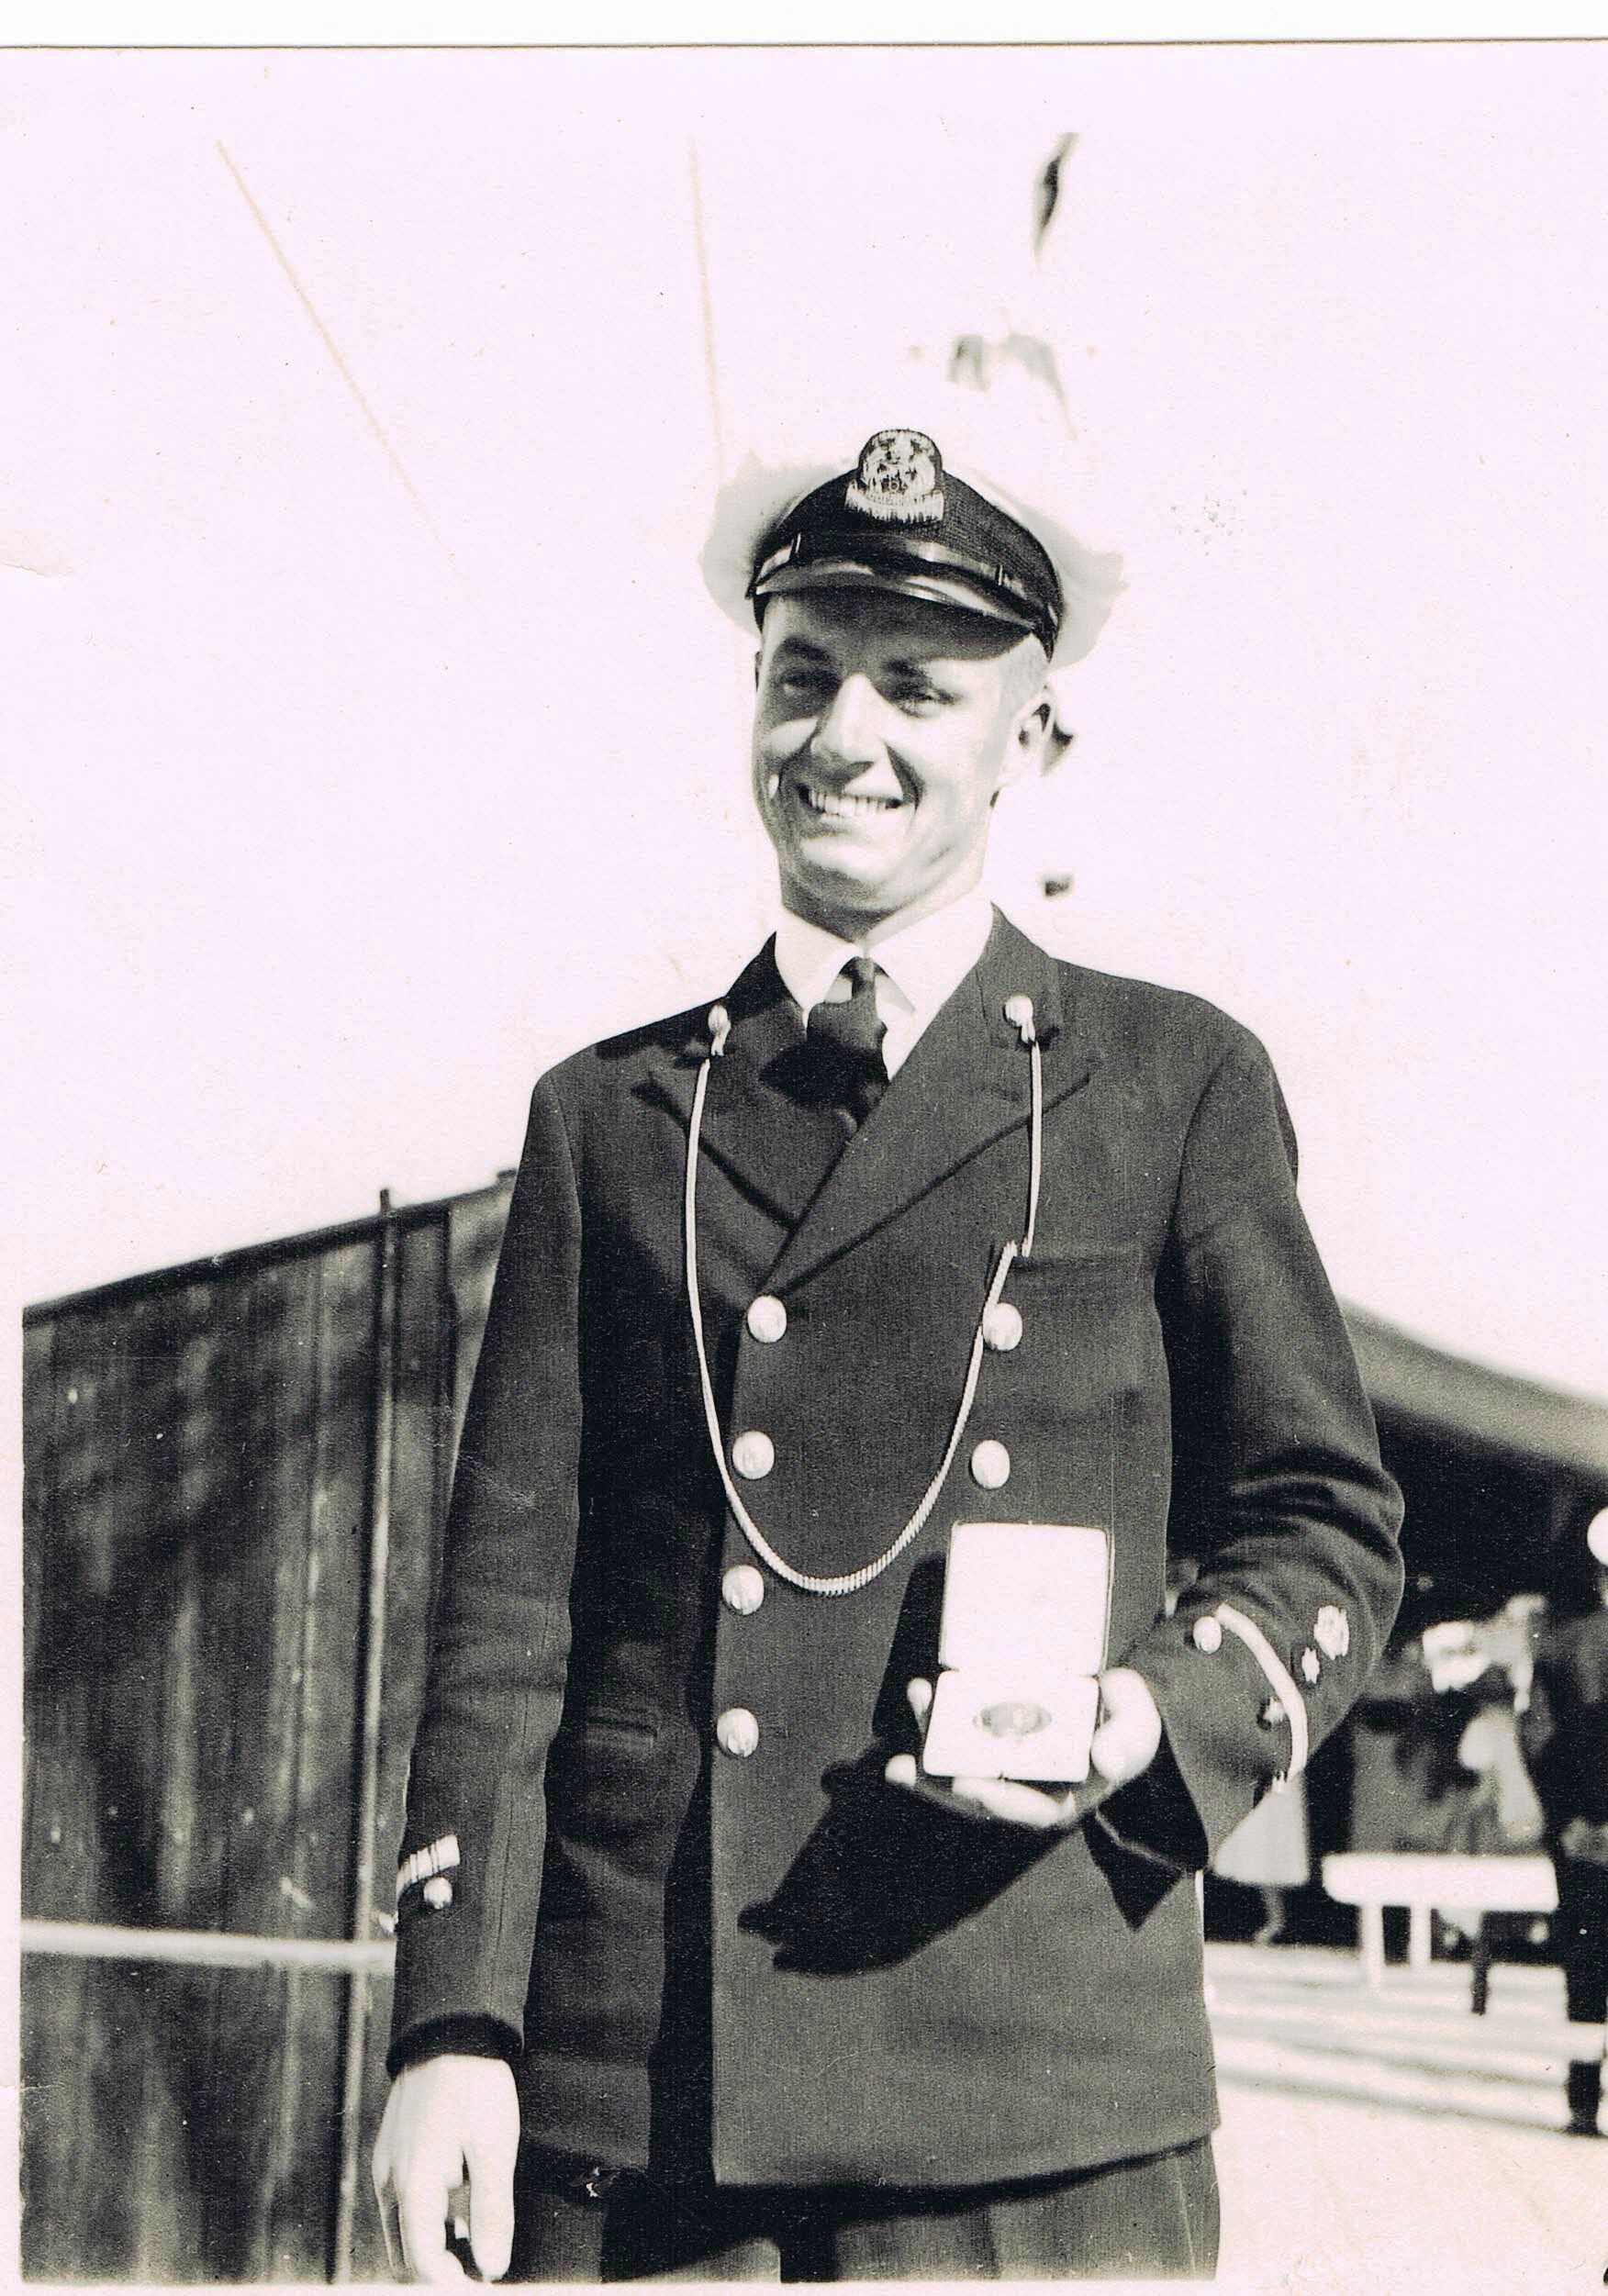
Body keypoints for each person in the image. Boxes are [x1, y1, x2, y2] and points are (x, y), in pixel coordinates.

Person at [370, 394, 1405, 2281]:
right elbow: (509, 1619)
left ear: (1034, 736)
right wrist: (454, 2025)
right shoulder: (612, 1118)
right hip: (647, 2092)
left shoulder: (1169, 1083)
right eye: (803, 675)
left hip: (1028, 2090)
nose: (844, 737)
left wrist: (1143, 1720)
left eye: (917, 688)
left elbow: (1322, 1525)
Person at [1521, 1508, 1608, 2136]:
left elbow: (1537, 1740)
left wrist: (1569, 1821)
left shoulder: (1557, 1644)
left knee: (1584, 1970)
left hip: (1579, 1838)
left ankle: (1583, 2103)